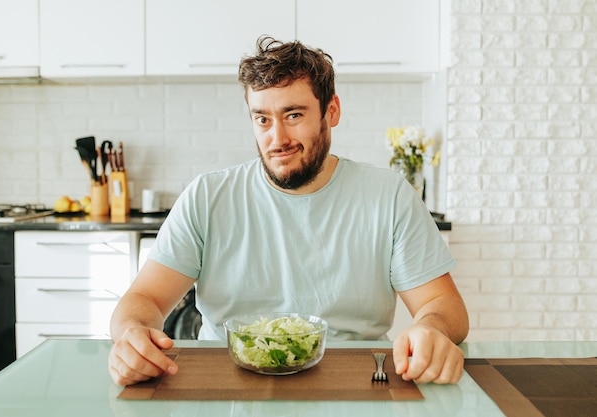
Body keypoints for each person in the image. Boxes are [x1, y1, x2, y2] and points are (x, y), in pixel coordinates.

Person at [108, 36, 469, 387]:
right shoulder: (207, 196)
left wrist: (431, 328)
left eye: (293, 115)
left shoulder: (388, 196)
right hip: (227, 382)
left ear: (332, 111)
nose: (277, 138)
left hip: (355, 381)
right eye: (262, 119)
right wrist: (131, 334)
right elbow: (144, 299)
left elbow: (442, 303)